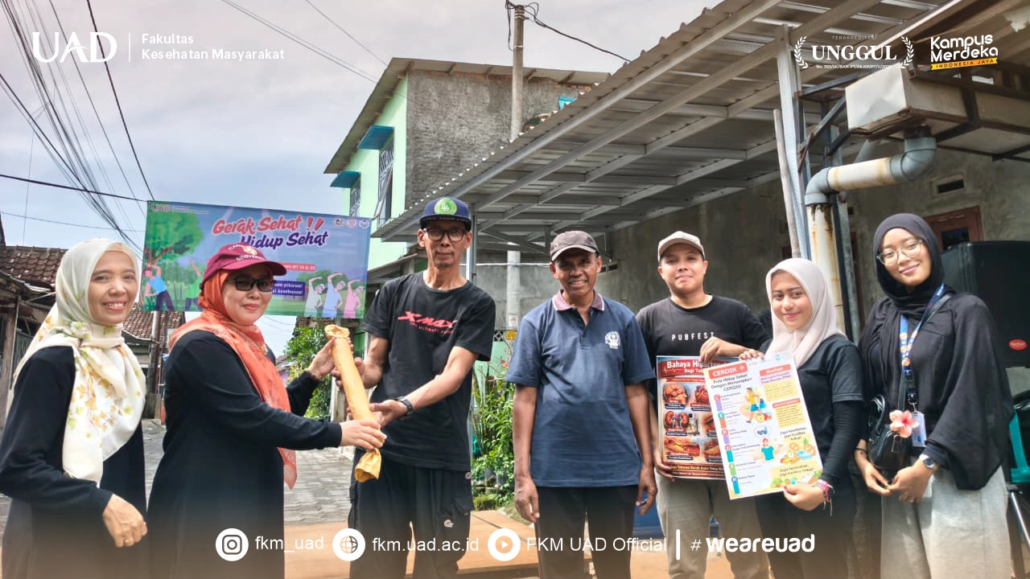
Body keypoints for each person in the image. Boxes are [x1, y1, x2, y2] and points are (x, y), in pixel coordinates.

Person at [147, 243, 386, 579]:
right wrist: (337, 433)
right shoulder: (200, 345)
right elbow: (253, 418)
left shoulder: (251, 345)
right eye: (242, 282)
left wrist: (312, 375)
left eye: (264, 283)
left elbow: (273, 409)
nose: (255, 293)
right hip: (206, 501)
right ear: (216, 285)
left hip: (247, 496)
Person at [853, 214, 1013, 579]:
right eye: (889, 252)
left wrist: (928, 464)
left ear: (929, 244)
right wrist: (861, 453)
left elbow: (976, 393)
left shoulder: (967, 311)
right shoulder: (883, 315)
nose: (903, 258)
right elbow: (868, 387)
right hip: (897, 467)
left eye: (911, 244)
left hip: (953, 469)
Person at [349, 196, 496, 579]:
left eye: (454, 232)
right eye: (436, 231)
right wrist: (351, 372)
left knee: (436, 567)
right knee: (373, 566)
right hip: (382, 452)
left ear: (467, 240)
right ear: (421, 238)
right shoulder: (393, 291)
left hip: (440, 455)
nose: (444, 240)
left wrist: (402, 405)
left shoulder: (477, 304)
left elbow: (453, 375)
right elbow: (375, 367)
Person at [509, 230, 656, 579]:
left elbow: (637, 393)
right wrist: (522, 475)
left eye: (584, 262)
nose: (576, 271)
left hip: (615, 469)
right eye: (566, 264)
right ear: (553, 270)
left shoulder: (623, 319)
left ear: (598, 264)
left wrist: (647, 463)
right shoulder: (536, 323)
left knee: (614, 569)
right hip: (554, 473)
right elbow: (524, 400)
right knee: (559, 569)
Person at [0, 239, 149, 579]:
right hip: (57, 548)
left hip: (113, 542)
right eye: (101, 277)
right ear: (75, 286)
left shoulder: (122, 359)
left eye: (128, 276)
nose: (119, 288)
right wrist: (101, 502)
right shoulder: (53, 361)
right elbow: (15, 468)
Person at [635, 231, 769, 579]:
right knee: (684, 567)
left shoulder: (735, 313)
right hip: (678, 465)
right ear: (661, 271)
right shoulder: (648, 319)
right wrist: (656, 446)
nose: (682, 266)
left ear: (705, 266)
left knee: (751, 563)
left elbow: (771, 369)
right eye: (672, 261)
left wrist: (736, 350)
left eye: (690, 259)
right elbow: (637, 390)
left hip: (737, 459)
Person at [740, 258, 865, 579]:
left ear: (817, 294)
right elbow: (758, 418)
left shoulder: (838, 351)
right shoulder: (770, 351)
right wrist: (748, 374)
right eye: (778, 296)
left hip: (818, 491)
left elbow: (848, 427)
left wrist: (824, 486)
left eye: (797, 293)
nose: (787, 304)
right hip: (774, 491)